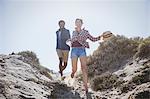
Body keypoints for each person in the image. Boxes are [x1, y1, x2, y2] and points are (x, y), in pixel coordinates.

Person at [67, 18, 102, 93]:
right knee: (75, 69)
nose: (78, 23)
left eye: (79, 22)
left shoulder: (85, 32)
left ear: (82, 23)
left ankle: (86, 86)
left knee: (84, 68)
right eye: (76, 22)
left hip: (82, 50)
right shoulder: (73, 32)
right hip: (74, 50)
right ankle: (73, 72)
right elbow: (71, 40)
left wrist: (100, 37)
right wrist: (68, 41)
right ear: (75, 24)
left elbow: (92, 39)